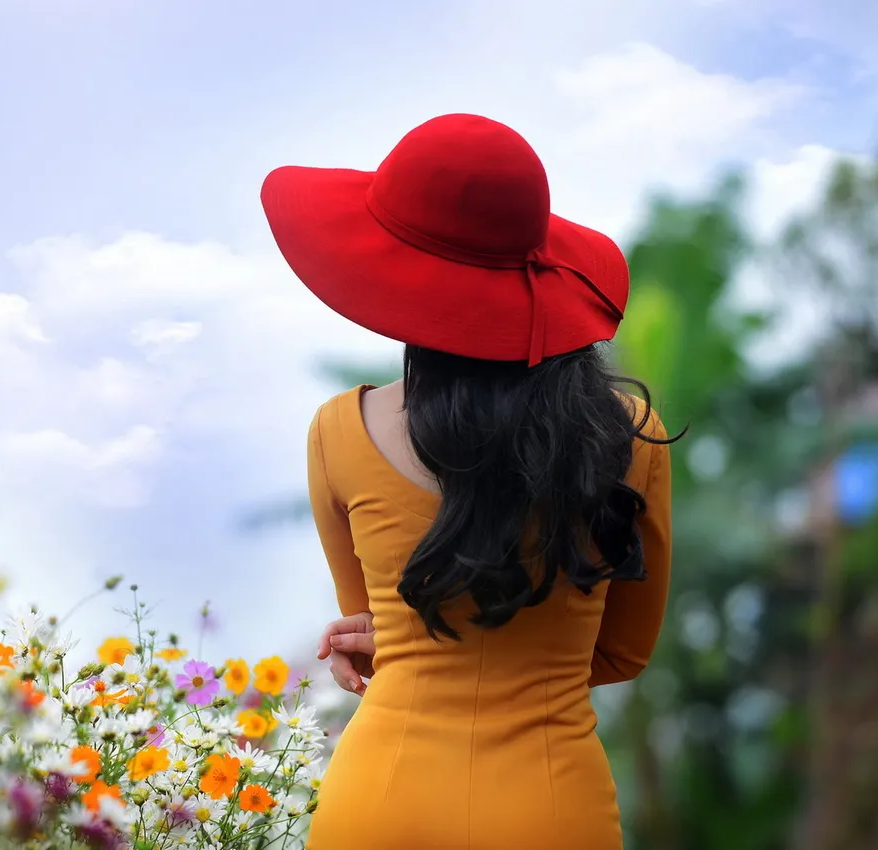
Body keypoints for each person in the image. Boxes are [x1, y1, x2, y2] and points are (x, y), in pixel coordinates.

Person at [261, 114, 678, 849]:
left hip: (380, 804)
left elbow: (383, 639)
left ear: (390, 270)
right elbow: (622, 653)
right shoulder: (629, 437)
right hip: (552, 809)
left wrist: (399, 639)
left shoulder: (338, 431)